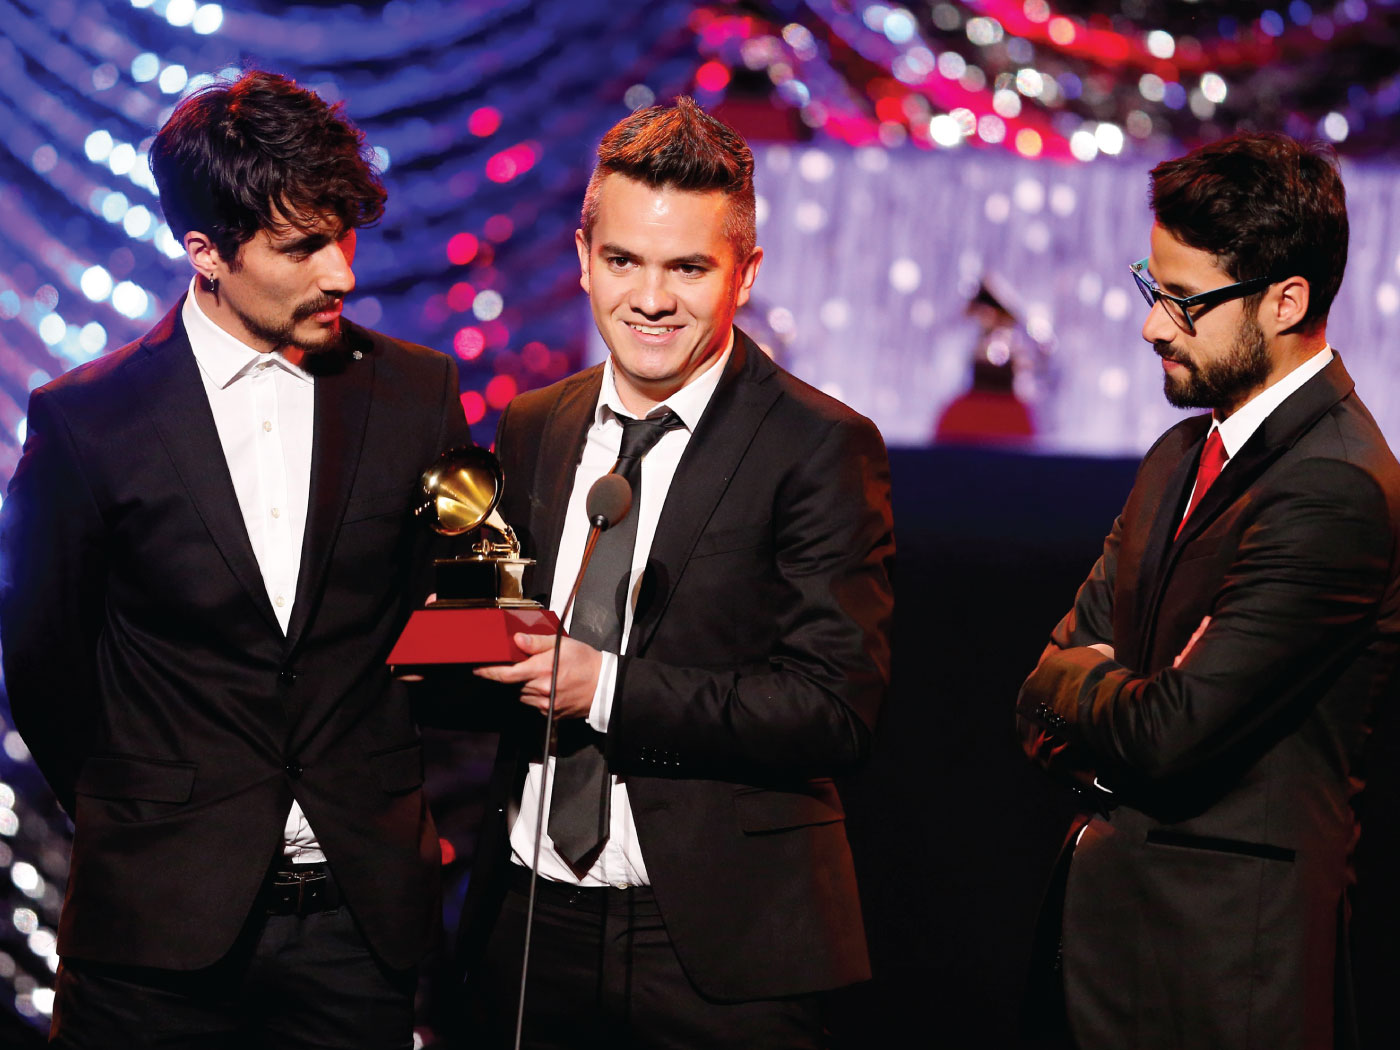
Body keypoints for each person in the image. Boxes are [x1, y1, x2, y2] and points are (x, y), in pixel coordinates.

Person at [0, 70, 471, 1048]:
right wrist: (153, 823)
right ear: (205, 252)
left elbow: (457, 621)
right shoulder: (87, 422)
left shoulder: (417, 394)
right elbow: (44, 668)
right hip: (151, 941)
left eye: (344, 237)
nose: (341, 275)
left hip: (357, 929)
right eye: (302, 248)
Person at [460, 97, 895, 1047]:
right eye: (623, 260)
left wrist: (605, 688)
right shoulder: (534, 425)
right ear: (583, 258)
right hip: (527, 923)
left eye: (687, 268)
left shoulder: (819, 445)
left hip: (715, 944)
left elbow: (834, 709)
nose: (650, 299)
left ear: (746, 272)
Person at [1016, 132, 1400, 1050]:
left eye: (1184, 301)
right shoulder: (1179, 455)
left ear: (1286, 301)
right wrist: (1099, 693)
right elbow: (1037, 691)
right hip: (1103, 958)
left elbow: (1171, 734)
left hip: (1221, 982)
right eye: (1152, 290)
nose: (1154, 326)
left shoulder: (1336, 486)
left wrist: (1092, 689)